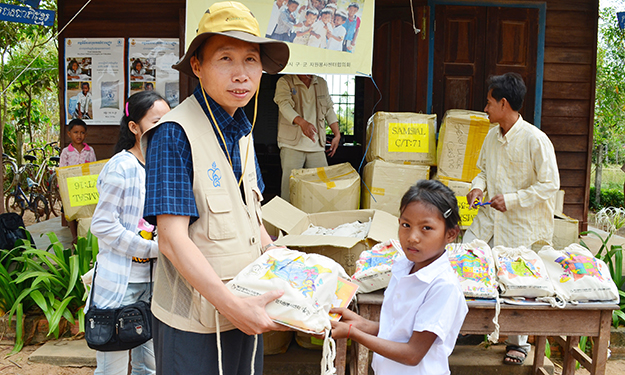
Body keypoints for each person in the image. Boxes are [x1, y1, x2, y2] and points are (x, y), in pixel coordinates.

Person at [141, 2, 290, 373]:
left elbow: (250, 217)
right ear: (197, 65)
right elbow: (171, 241)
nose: (241, 75)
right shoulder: (174, 134)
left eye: (251, 60)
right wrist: (232, 305)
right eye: (225, 58)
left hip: (245, 307)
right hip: (195, 323)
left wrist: (291, 269)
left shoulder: (242, 131)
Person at [464, 72, 560, 365]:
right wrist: (477, 186)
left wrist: (513, 199)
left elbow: (549, 185)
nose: (486, 107)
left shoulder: (536, 139)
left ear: (504, 103)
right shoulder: (492, 136)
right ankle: (470, 327)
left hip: (522, 226)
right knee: (467, 262)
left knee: (517, 282)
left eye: (489, 102)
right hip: (488, 219)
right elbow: (482, 169)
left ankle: (518, 343)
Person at [331, 179, 468, 375]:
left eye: (426, 228)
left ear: (451, 234)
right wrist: (362, 324)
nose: (412, 237)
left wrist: (354, 334)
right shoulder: (404, 267)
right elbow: (399, 331)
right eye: (406, 224)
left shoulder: (443, 286)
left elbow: (412, 354)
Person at [89, 90, 170, 375]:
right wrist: (152, 249)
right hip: (122, 283)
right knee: (112, 367)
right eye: (156, 121)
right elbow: (102, 225)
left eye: (169, 121)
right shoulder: (121, 167)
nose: (165, 128)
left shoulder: (162, 166)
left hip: (152, 284)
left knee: (149, 366)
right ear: (134, 128)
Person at [274, 74, 340, 201]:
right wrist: (302, 123)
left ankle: (317, 219)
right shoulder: (285, 81)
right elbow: (284, 105)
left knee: (322, 188)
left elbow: (329, 108)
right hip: (291, 144)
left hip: (316, 145)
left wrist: (337, 134)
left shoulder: (321, 82)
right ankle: (288, 220)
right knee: (290, 189)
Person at [60, 119, 97, 243]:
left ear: (86, 134)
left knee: (85, 211)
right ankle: (75, 237)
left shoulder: (89, 150)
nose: (79, 135)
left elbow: (93, 168)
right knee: (72, 213)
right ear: (69, 134)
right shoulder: (66, 152)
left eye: (82, 132)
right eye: (75, 132)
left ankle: (87, 235)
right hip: (71, 187)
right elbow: (62, 171)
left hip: (85, 187)